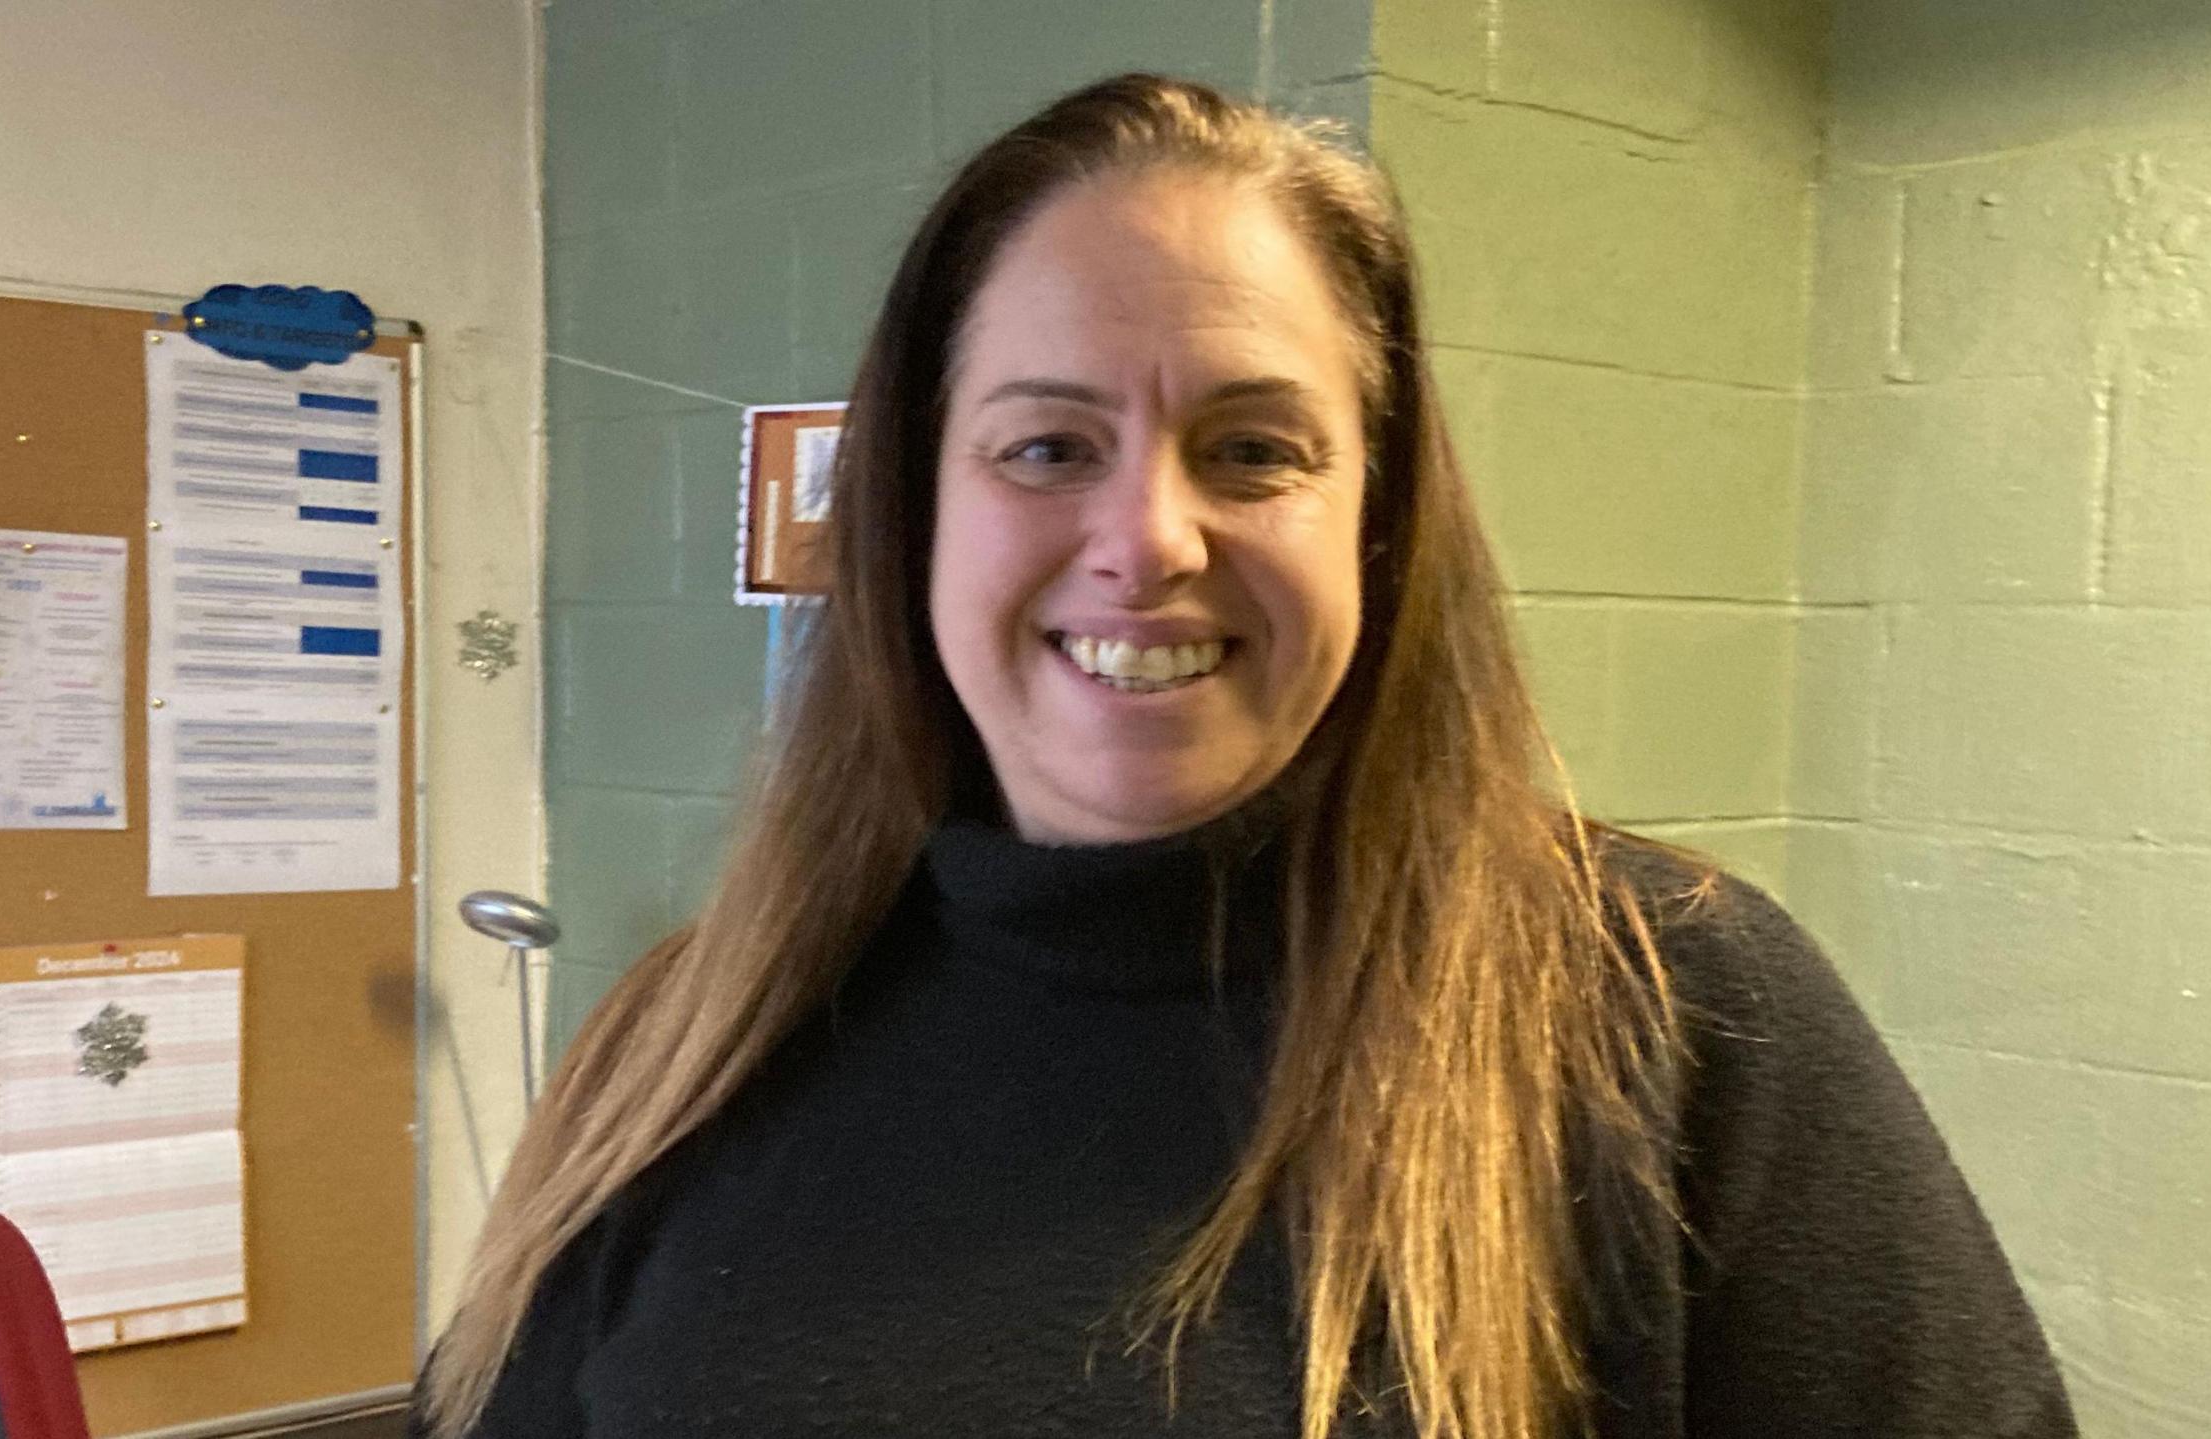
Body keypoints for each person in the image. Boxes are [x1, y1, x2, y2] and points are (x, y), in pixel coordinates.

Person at [414, 74, 2076, 1439]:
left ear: (1380, 520)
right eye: (1048, 446)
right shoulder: (683, 1049)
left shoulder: (1671, 1013)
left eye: (1254, 449)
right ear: (920, 512)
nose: (1146, 539)